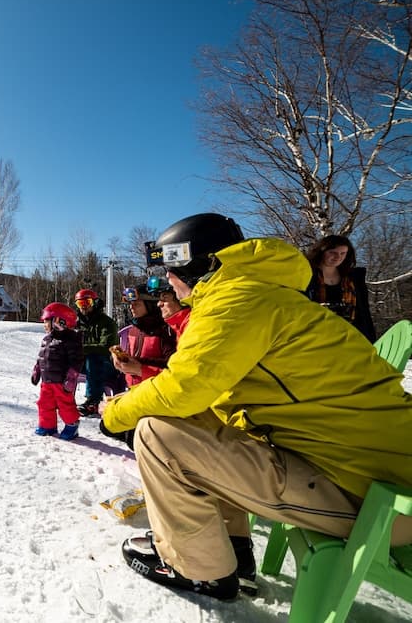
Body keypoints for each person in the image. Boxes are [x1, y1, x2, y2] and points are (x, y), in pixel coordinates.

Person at [101, 212, 412, 603]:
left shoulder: (235, 300)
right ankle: (231, 548)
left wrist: (116, 413)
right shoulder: (259, 293)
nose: (166, 282)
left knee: (156, 432)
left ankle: (200, 569)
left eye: (169, 271)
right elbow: (207, 398)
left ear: (196, 265)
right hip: (374, 474)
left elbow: (184, 389)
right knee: (203, 422)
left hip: (383, 501)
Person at [305, 234, 376, 342]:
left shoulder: (354, 278)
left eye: (343, 253)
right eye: (332, 252)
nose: (338, 257)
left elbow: (364, 311)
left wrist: (370, 339)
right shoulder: (306, 275)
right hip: (315, 336)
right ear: (321, 252)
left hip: (350, 336)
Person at [30, 302, 84, 440]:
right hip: (47, 381)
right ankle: (47, 425)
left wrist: (71, 377)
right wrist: (37, 369)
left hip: (62, 382)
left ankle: (72, 425)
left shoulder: (70, 340)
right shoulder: (47, 339)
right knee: (44, 403)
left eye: (47, 321)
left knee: (65, 404)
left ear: (59, 321)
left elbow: (76, 360)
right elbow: (41, 356)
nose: (44, 324)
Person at [110, 284, 177, 389]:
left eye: (136, 304)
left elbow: (171, 365)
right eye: (130, 303)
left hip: (156, 390)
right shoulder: (133, 330)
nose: (131, 307)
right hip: (133, 388)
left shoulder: (165, 330)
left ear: (150, 305)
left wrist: (138, 364)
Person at [73, 288, 119, 416]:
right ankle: (61, 397)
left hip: (108, 365)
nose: (84, 307)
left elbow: (107, 347)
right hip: (85, 365)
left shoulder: (107, 323)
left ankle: (93, 401)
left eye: (87, 303)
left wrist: (82, 348)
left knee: (93, 358)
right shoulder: (77, 324)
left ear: (95, 303)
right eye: (80, 304)